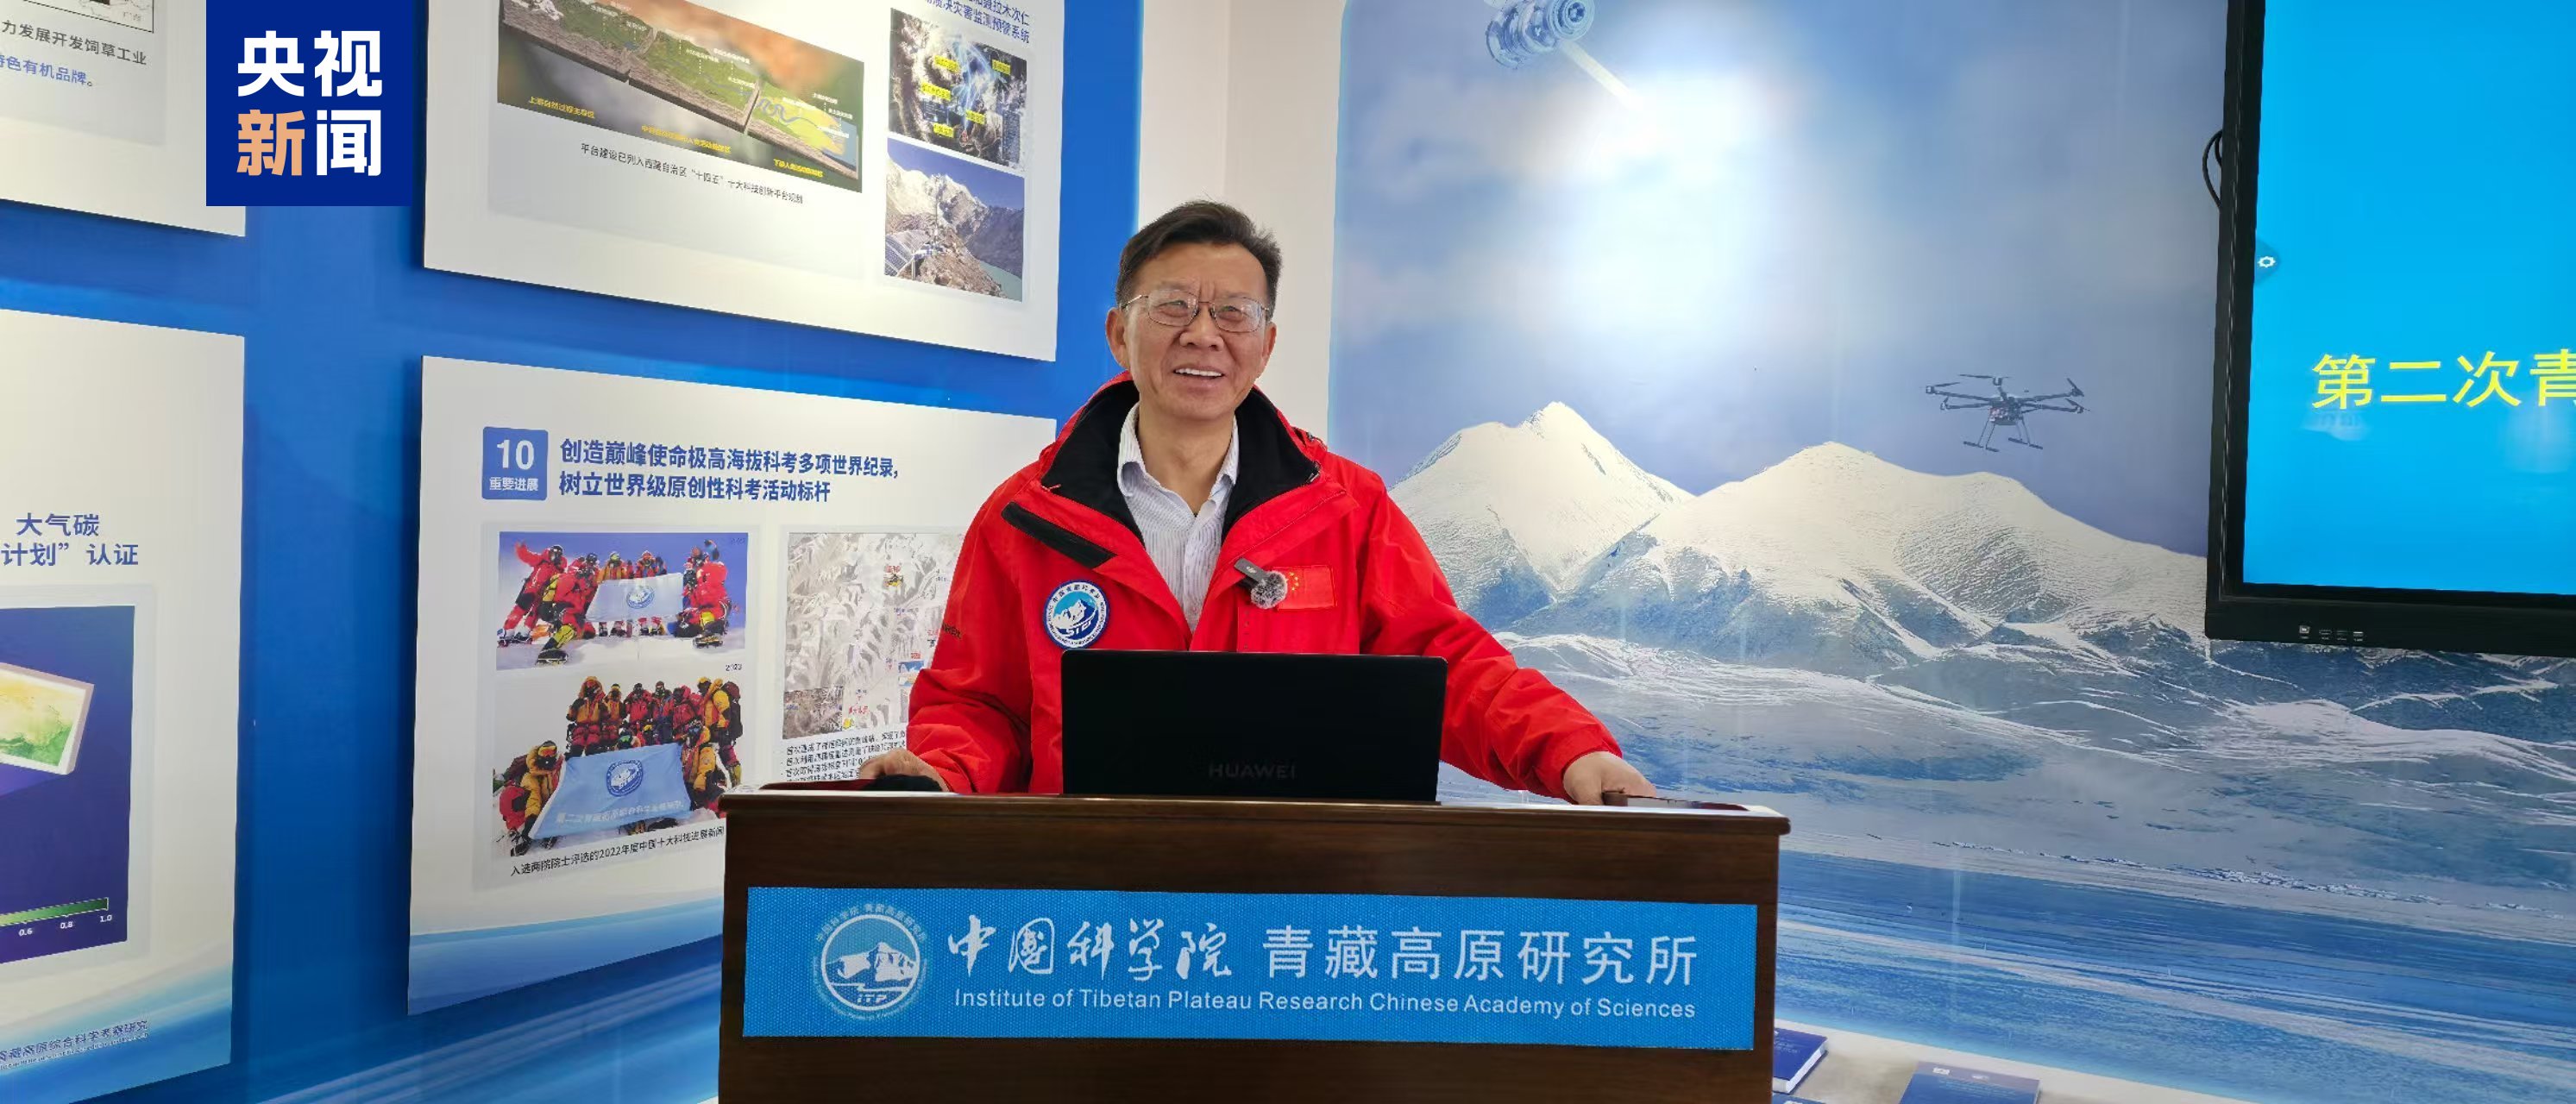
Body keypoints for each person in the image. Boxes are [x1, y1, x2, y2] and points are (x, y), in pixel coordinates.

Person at [859, 201, 1654, 805]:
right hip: (1093, 895)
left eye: (1234, 313)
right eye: (1172, 306)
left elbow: (1449, 668)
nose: (1204, 335)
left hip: (1292, 893)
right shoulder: (1026, 518)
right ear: (1118, 333)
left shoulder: (1345, 508)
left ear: (1266, 345)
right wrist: (940, 773)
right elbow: (979, 702)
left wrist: (1571, 752)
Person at [499, 543, 566, 646]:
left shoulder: (560, 570)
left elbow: (562, 583)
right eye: (553, 553)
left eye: (557, 554)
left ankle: (524, 633)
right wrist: (521, 548)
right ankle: (508, 631)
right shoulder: (542, 559)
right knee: (520, 609)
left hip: (544, 595)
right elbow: (527, 556)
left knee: (535, 613)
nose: (554, 556)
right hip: (532, 589)